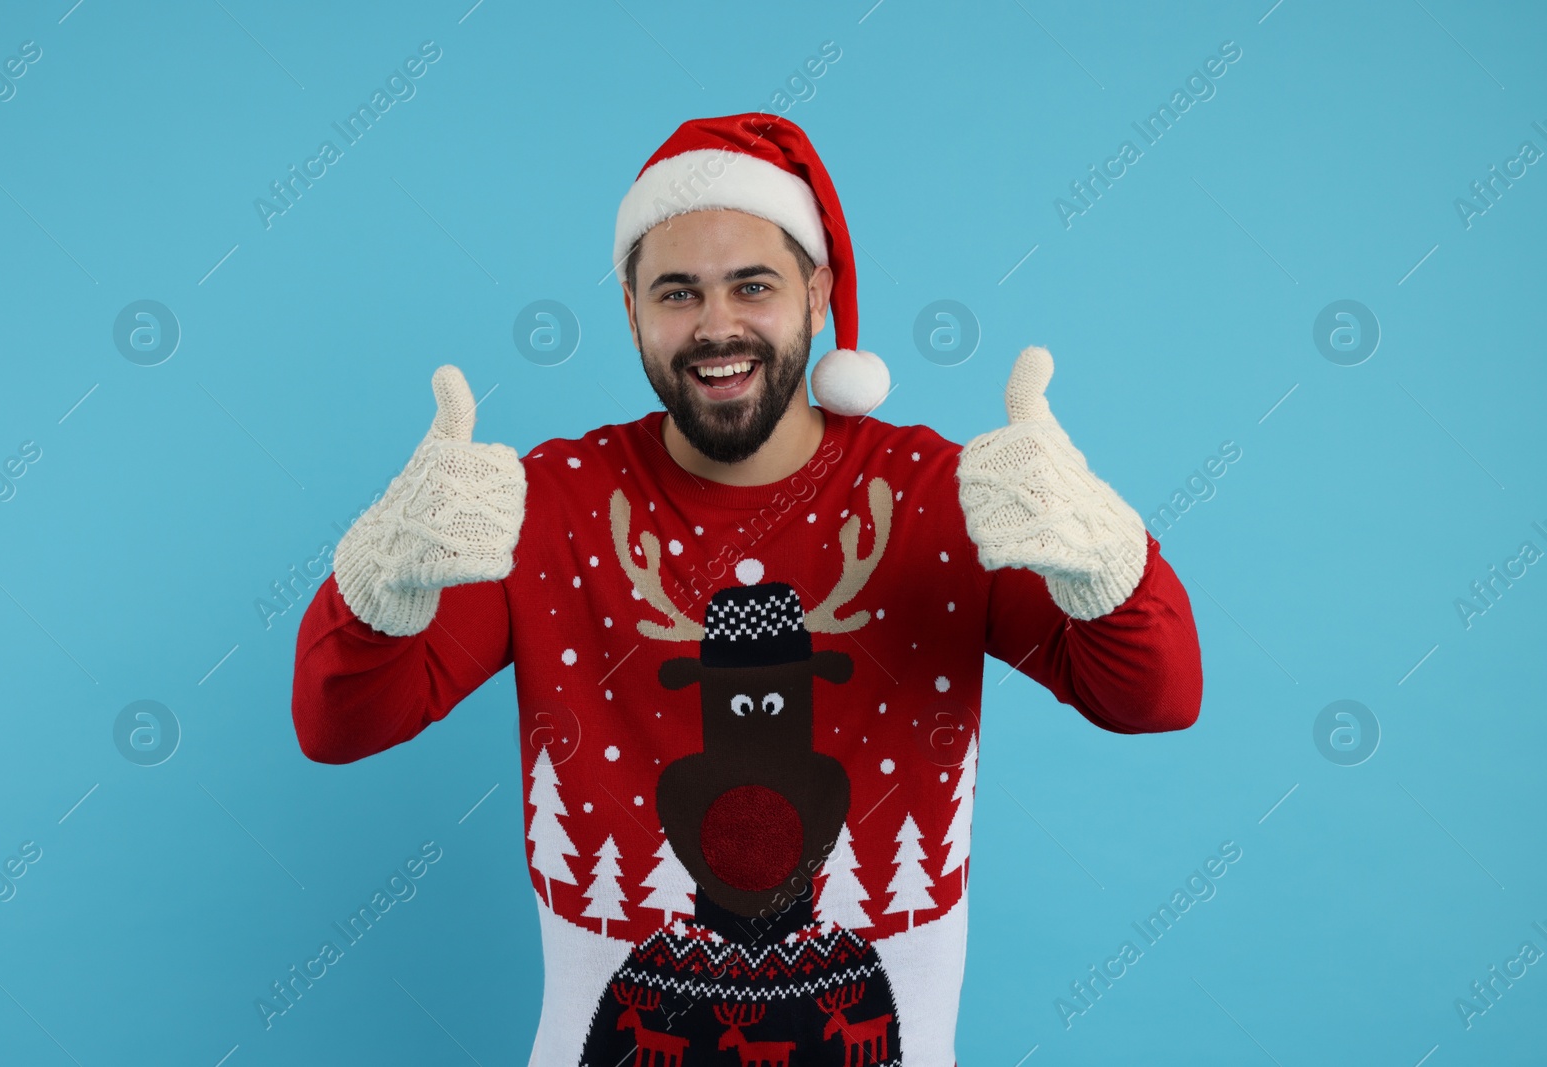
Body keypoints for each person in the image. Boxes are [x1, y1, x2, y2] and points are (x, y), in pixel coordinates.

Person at [291, 113, 1202, 1067]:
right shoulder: (546, 505)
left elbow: (1155, 698)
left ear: (816, 296)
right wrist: (378, 582)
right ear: (633, 312)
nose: (717, 326)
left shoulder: (945, 498)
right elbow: (341, 725)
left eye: (752, 286)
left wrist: (1106, 556)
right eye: (677, 291)